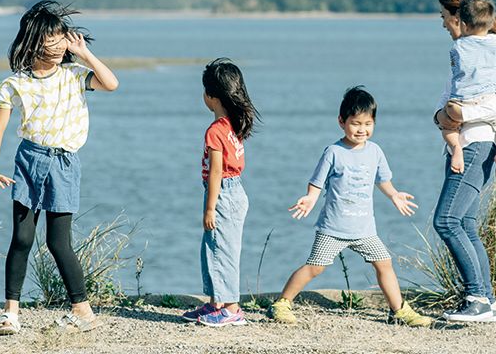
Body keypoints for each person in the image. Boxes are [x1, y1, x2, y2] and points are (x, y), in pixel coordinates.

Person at [0, 1, 119, 335]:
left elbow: (111, 83)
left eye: (62, 39)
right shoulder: (15, 83)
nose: (59, 46)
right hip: (29, 160)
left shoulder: (75, 75)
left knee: (59, 242)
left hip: (64, 162)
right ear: (33, 41)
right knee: (22, 238)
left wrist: (84, 54)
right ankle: (10, 313)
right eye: (51, 40)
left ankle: (82, 311)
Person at [268, 87, 431, 327]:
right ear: (341, 122)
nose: (362, 129)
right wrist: (311, 198)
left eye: (368, 124)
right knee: (315, 267)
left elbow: (382, 180)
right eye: (355, 123)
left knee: (384, 263)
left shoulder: (375, 151)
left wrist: (394, 195)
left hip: (364, 229)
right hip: (334, 228)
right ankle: (282, 303)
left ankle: (399, 310)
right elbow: (317, 182)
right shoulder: (334, 152)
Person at [432, 0, 496, 323]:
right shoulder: (463, 55)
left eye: (443, 16)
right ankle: (487, 301)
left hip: (477, 144)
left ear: (459, 18)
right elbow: (444, 104)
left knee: (446, 220)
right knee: (465, 222)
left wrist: (461, 114)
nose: (442, 24)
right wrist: (442, 116)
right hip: (462, 144)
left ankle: (476, 297)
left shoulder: (495, 52)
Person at [181, 58, 258, 328]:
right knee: (216, 249)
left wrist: (210, 208)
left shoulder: (216, 130)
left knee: (221, 251)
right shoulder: (234, 124)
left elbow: (216, 172)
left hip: (223, 193)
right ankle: (216, 303)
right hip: (235, 191)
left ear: (211, 96)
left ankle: (231, 308)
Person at [439, 0, 496, 176]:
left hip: (458, 104)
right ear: (490, 23)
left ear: (463, 24)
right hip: (486, 99)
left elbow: (456, 75)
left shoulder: (457, 47)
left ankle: (456, 149)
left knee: (449, 128)